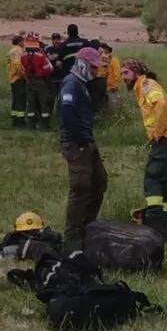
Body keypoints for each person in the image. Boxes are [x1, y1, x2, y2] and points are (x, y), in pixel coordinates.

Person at [121, 59, 167, 234]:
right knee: (166, 181)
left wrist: (157, 131)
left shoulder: (146, 84)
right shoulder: (143, 87)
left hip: (164, 137)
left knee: (153, 177)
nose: (122, 78)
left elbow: (161, 104)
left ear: (137, 72)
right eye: (121, 74)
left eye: (125, 73)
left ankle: (155, 222)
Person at [58, 46, 107, 247]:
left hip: (86, 142)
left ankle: (87, 226)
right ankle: (73, 238)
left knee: (99, 182)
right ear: (81, 64)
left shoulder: (80, 84)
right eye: (93, 67)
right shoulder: (71, 84)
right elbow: (67, 114)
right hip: (77, 144)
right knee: (80, 189)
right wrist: (80, 140)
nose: (96, 71)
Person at [21, 35, 54, 130]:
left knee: (31, 102)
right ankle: (44, 124)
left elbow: (22, 68)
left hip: (29, 81)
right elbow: (49, 69)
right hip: (41, 81)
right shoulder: (41, 55)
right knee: (44, 102)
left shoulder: (23, 56)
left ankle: (31, 124)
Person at [7, 35, 26, 128]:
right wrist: (24, 75)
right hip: (18, 78)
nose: (24, 43)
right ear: (19, 42)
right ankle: (20, 121)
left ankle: (14, 119)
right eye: (23, 41)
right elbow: (18, 65)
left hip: (12, 78)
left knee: (15, 100)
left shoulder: (12, 50)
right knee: (20, 100)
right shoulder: (18, 51)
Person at [87, 39, 108, 111]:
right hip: (103, 79)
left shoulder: (94, 54)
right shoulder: (105, 55)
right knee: (101, 98)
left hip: (96, 79)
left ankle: (95, 114)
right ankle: (102, 112)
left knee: (94, 98)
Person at [101, 43, 122, 110]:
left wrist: (113, 86)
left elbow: (117, 75)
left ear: (107, 50)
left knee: (113, 108)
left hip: (111, 88)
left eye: (103, 50)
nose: (102, 53)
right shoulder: (101, 61)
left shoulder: (114, 60)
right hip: (104, 88)